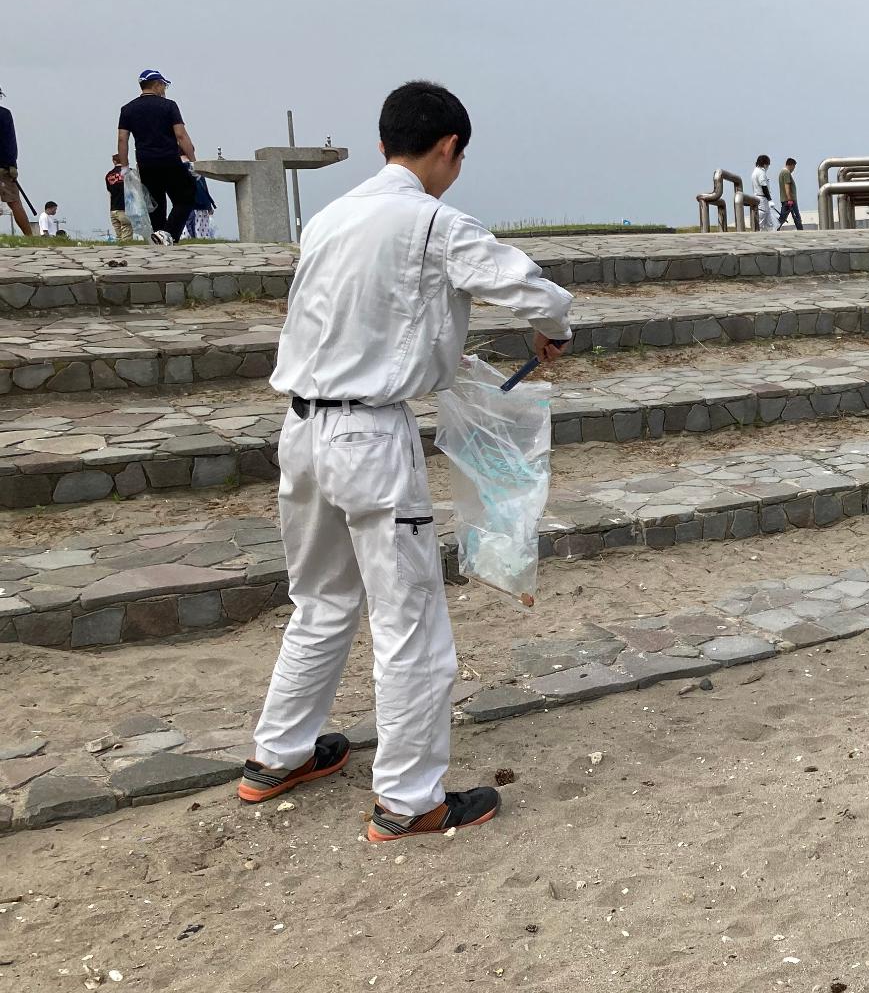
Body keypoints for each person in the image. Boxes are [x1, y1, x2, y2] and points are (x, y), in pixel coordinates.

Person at [238, 81, 575, 842]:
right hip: (370, 438)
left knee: (321, 600)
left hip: (301, 429)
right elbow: (526, 287)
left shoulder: (331, 216)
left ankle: (279, 754)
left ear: (384, 139)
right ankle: (409, 798)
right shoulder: (433, 222)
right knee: (410, 618)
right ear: (449, 147)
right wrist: (557, 327)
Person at [114, 69, 202, 244]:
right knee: (187, 196)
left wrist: (124, 166)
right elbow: (181, 135)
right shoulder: (169, 106)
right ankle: (168, 233)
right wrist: (193, 160)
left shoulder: (128, 109)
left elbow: (122, 139)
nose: (165, 90)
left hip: (145, 162)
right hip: (169, 159)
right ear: (157, 84)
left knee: (156, 202)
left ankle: (160, 238)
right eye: (164, 85)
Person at [0, 87, 33, 236]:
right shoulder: (4, 114)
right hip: (4, 166)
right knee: (14, 202)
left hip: (4, 165)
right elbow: (10, 142)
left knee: (15, 203)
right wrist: (12, 164)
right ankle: (29, 236)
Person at [748, 153, 776, 230]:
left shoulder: (755, 171)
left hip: (760, 198)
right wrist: (770, 200)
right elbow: (764, 187)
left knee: (769, 221)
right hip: (762, 198)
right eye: (768, 164)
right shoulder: (761, 173)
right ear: (765, 164)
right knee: (762, 219)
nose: (768, 167)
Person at [185, 172, 216, 240]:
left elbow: (205, 192)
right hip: (195, 207)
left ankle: (192, 238)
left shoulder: (199, 177)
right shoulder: (196, 177)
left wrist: (209, 206)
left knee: (195, 227)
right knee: (196, 227)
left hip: (196, 207)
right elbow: (204, 192)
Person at [776, 156, 805, 229]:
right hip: (789, 200)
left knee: (783, 217)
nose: (794, 169)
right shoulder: (786, 172)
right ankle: (800, 230)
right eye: (794, 167)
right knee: (796, 216)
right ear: (791, 165)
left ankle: (776, 228)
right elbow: (787, 186)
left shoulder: (782, 172)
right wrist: (790, 199)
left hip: (786, 199)